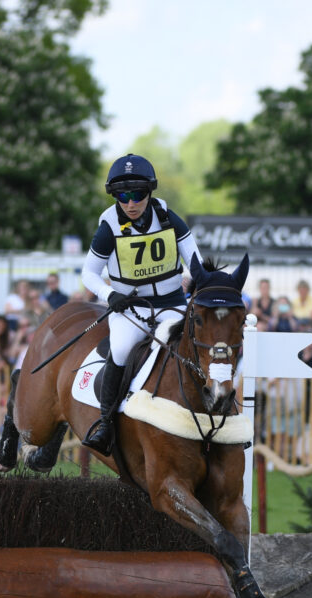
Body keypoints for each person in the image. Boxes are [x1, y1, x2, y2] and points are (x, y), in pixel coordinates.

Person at [69, 153, 203, 455]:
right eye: (123, 196)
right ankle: (105, 424)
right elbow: (88, 274)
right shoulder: (109, 227)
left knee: (195, 346)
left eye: (138, 194)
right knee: (120, 350)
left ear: (149, 192)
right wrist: (109, 295)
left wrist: (203, 285)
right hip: (130, 309)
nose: (131, 203)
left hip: (172, 304)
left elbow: (195, 262)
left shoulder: (168, 218)